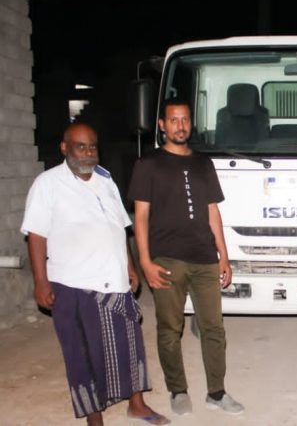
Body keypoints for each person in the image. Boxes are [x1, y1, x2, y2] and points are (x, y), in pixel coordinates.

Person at [21, 123, 169, 426]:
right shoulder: (47, 184)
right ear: (65, 148)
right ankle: (94, 417)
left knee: (129, 346)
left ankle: (137, 404)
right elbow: (36, 235)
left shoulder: (105, 179)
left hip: (115, 279)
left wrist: (129, 266)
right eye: (80, 146)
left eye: (92, 147)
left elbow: (118, 226)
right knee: (83, 355)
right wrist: (40, 282)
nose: (88, 153)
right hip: (74, 284)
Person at [127, 99, 244, 415]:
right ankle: (177, 390)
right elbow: (140, 217)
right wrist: (145, 261)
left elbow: (212, 210)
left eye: (185, 120)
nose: (180, 126)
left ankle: (217, 393)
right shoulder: (148, 164)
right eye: (174, 120)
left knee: (213, 328)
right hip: (167, 259)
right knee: (170, 329)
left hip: (204, 257)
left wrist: (223, 255)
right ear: (162, 125)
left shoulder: (204, 163)